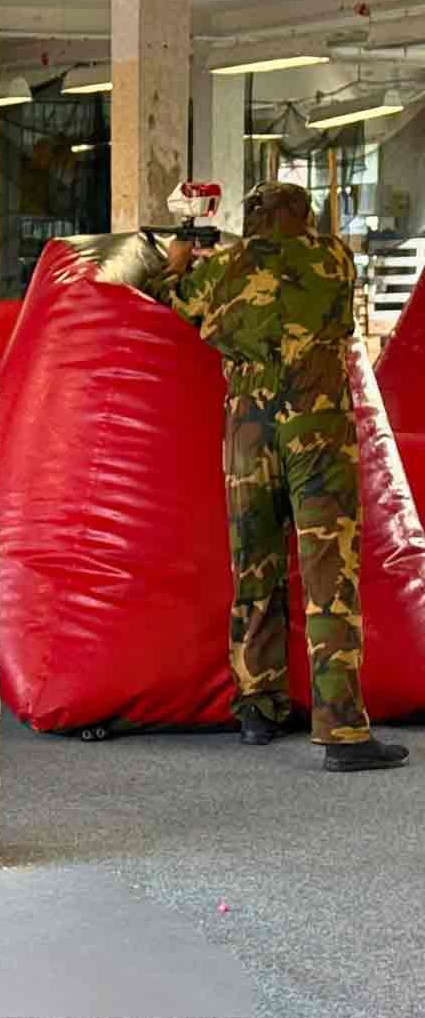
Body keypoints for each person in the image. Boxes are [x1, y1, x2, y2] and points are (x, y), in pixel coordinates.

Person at [148, 180, 406, 771]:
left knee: (255, 565)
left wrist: (181, 261)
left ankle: (258, 707)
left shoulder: (227, 268)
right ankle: (342, 732)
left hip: (249, 431)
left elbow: (176, 299)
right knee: (329, 573)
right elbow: (331, 315)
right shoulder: (334, 258)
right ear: (305, 216)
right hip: (317, 428)